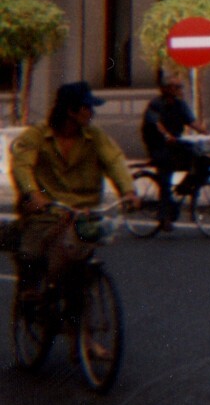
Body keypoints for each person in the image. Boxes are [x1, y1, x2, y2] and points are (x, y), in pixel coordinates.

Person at [9, 81, 138, 300]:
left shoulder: (95, 137)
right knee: (33, 249)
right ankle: (30, 289)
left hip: (84, 212)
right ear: (70, 111)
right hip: (48, 211)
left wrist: (128, 191)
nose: (91, 113)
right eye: (87, 107)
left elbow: (114, 162)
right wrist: (33, 193)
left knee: (79, 260)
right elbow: (22, 166)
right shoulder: (36, 136)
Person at [141, 77, 210, 231]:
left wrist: (208, 134)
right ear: (167, 89)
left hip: (176, 143)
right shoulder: (155, 104)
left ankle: (186, 188)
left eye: (180, 87)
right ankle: (164, 216)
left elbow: (192, 122)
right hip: (159, 145)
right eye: (177, 87)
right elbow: (156, 123)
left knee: (201, 158)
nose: (180, 90)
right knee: (165, 175)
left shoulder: (180, 105)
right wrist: (166, 136)